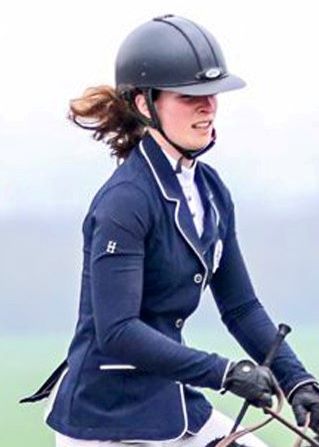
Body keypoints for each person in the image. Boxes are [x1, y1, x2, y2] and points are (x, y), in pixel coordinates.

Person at [21, 14, 319, 447]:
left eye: (212, 95)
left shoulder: (212, 190)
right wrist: (224, 372)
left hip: (169, 401)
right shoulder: (125, 201)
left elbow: (240, 307)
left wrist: (298, 382)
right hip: (107, 419)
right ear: (144, 104)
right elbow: (118, 331)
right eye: (189, 96)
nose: (209, 107)